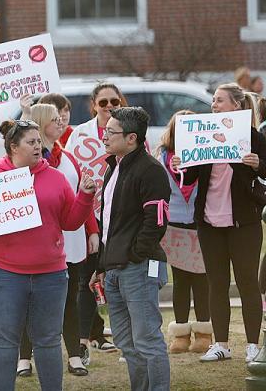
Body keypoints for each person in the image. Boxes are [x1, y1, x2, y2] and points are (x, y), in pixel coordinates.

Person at [0, 119, 95, 390]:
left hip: (50, 274)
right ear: (12, 147)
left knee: (48, 340)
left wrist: (85, 196)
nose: (38, 147)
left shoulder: (56, 178)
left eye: (39, 142)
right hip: (2, 273)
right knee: (4, 340)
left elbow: (70, 222)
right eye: (31, 142)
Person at [172, 83, 266, 363]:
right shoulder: (202, 136)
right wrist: (182, 165)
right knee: (217, 283)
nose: (214, 105)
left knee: (247, 282)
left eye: (220, 101)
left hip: (244, 222)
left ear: (236, 106)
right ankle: (221, 344)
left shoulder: (253, 137)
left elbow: (265, 169)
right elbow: (190, 180)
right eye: (213, 101)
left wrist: (256, 163)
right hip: (209, 222)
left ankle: (252, 345)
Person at [90, 107, 171, 389]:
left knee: (147, 339)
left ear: (131, 137)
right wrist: (102, 266)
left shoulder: (150, 171)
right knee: (126, 342)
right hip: (113, 269)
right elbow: (109, 224)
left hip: (138, 267)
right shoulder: (114, 167)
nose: (104, 136)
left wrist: (135, 254)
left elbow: (157, 221)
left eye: (110, 132)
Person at [17, 104, 100, 378]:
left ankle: (75, 355)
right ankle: (24, 358)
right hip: (40, 241)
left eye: (61, 117)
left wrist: (92, 230)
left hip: (71, 239)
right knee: (30, 302)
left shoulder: (67, 157)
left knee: (70, 300)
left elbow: (79, 195)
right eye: (54, 119)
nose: (61, 122)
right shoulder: (32, 163)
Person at [65, 83, 126, 361]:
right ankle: (83, 340)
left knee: (118, 278)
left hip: (119, 217)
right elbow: (68, 173)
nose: (109, 106)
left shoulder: (130, 131)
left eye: (114, 100)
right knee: (85, 280)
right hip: (89, 215)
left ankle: (123, 337)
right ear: (94, 105)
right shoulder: (80, 134)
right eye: (103, 102)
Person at [154, 110, 212, 354]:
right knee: (180, 281)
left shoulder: (205, 155)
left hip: (201, 223)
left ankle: (204, 333)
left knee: (201, 279)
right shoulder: (162, 158)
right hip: (175, 225)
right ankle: (180, 333)